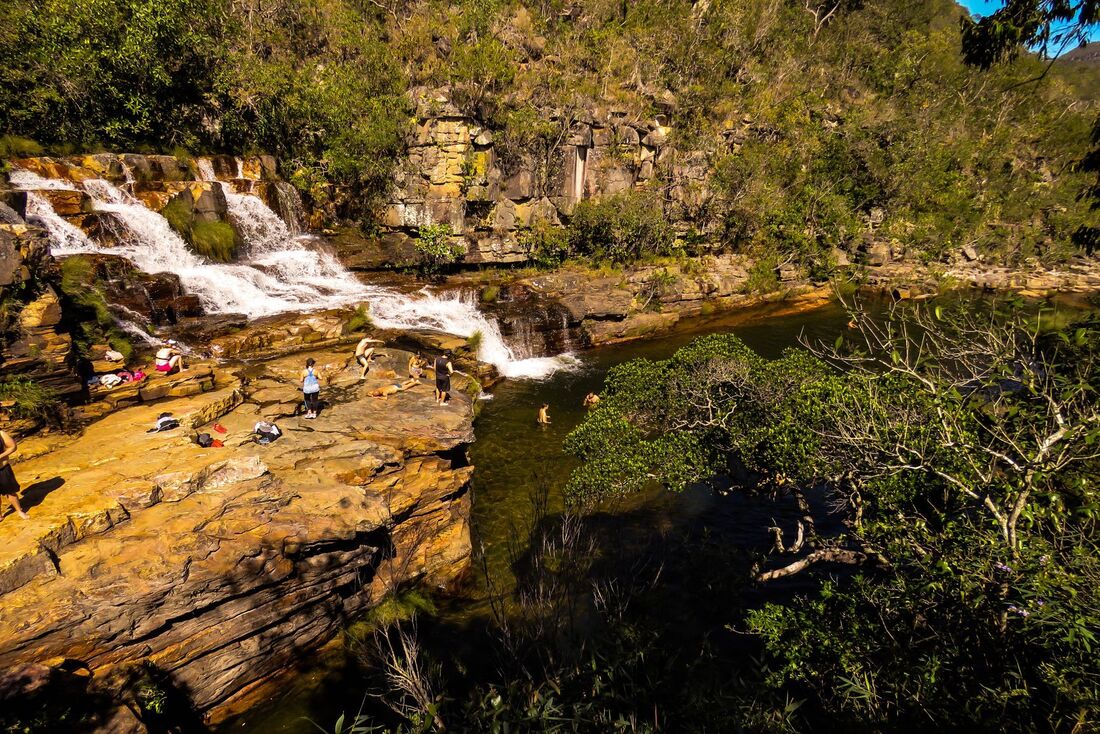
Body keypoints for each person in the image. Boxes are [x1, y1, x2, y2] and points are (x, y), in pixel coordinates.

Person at [0, 430, 28, 520]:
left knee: (11, 492)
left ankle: (19, 511)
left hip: (3, 469)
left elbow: (13, 447)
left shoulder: (1, 434)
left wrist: (0, 456)